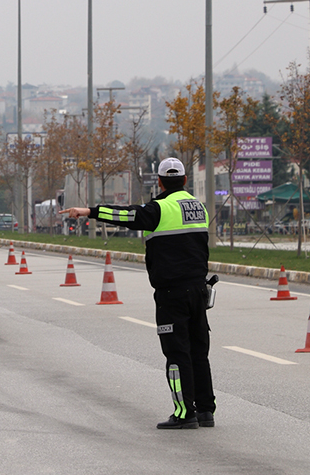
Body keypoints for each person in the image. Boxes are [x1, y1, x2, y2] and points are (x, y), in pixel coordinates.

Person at [60, 157, 215, 430]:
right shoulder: (198, 208)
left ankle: (183, 412)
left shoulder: (159, 209)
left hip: (171, 294)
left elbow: (125, 215)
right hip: (199, 290)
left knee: (176, 354)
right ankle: (205, 411)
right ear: (185, 180)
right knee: (198, 352)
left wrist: (88, 212)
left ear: (159, 181)